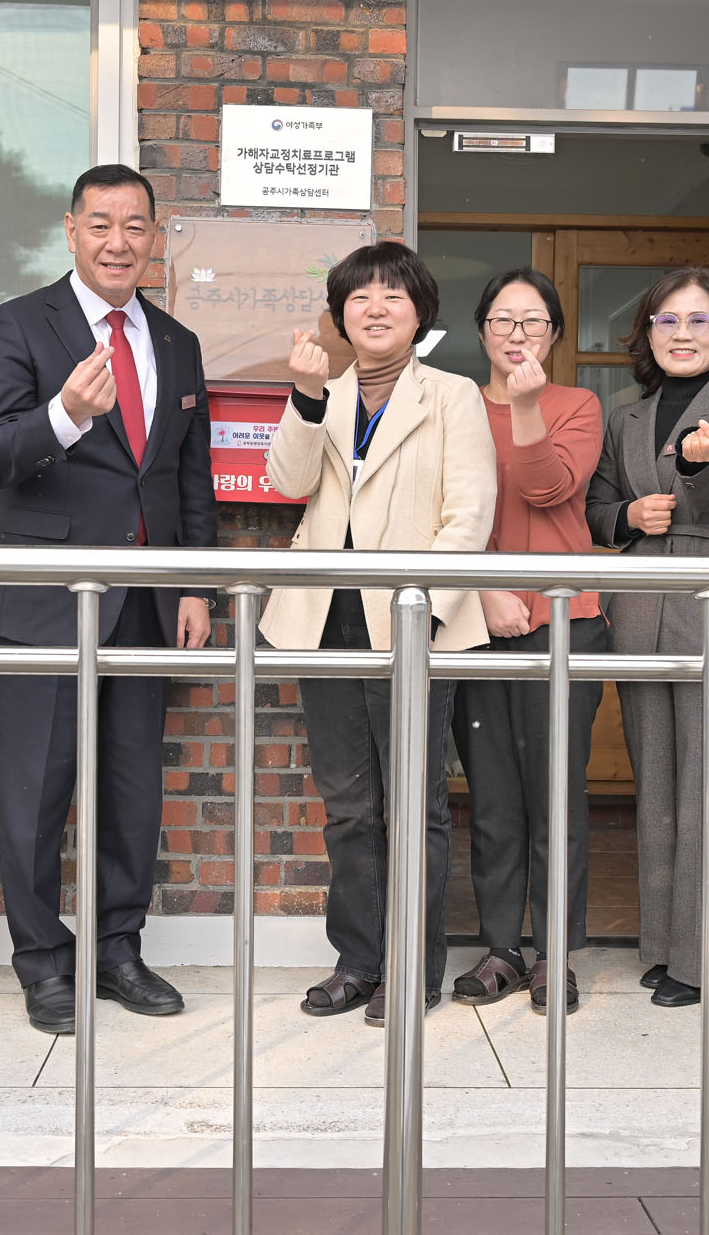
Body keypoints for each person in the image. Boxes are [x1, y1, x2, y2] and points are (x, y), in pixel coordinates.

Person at [0, 164, 218, 1037]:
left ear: (156, 237)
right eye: (101, 225)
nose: (119, 242)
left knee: (131, 789)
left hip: (146, 604)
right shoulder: (17, 323)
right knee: (36, 792)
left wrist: (194, 584)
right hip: (45, 599)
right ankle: (43, 961)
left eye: (135, 226)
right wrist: (66, 415)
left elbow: (188, 477)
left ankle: (118, 949)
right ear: (71, 230)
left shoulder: (176, 341)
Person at [261, 242, 496, 1026]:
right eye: (359, 296)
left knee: (414, 806)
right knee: (349, 805)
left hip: (412, 619)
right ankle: (358, 961)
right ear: (340, 315)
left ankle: (413, 966)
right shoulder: (323, 394)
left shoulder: (452, 395)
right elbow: (288, 482)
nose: (375, 308)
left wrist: (424, 610)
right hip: (326, 618)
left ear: (420, 311)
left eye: (393, 295)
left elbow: (469, 516)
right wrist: (303, 398)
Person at [585, 266, 709, 1008]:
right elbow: (598, 506)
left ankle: (703, 962)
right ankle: (663, 947)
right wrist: (628, 518)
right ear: (648, 333)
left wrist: (699, 466)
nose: (683, 334)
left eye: (700, 320)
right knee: (656, 786)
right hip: (639, 603)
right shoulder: (625, 416)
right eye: (668, 320)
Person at [449, 269, 607, 1015]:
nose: (517, 334)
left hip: (565, 624)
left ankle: (554, 954)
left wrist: (523, 406)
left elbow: (549, 490)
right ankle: (501, 949)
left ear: (554, 334)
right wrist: (482, 590)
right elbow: (439, 511)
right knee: (491, 797)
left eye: (534, 321)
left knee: (555, 796)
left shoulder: (577, 405)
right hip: (476, 623)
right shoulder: (452, 405)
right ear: (482, 329)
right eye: (504, 320)